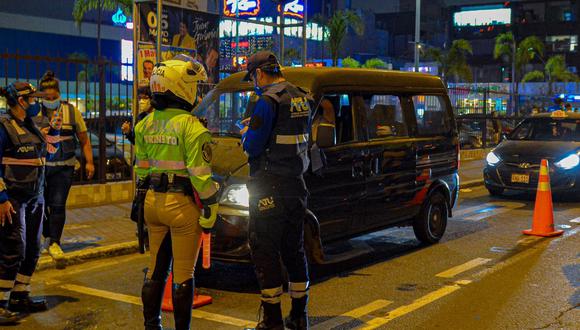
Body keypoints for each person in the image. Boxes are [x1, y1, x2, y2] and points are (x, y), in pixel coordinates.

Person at [135, 55, 218, 330]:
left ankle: (152, 325)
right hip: (182, 206)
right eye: (193, 86)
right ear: (180, 87)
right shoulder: (191, 127)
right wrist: (212, 206)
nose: (196, 92)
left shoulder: (145, 124)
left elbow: (142, 170)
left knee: (156, 269)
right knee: (184, 274)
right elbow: (201, 177)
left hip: (152, 203)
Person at [241, 51, 311, 330]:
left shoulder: (267, 101)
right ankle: (299, 315)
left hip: (269, 186)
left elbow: (253, 145)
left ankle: (272, 322)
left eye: (253, 77)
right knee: (294, 250)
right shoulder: (301, 96)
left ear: (259, 73)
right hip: (297, 185)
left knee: (265, 251)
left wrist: (245, 135)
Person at [0, 82, 49, 324]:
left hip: (34, 196)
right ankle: (0, 303)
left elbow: (38, 155)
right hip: (13, 198)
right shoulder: (3, 127)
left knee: (33, 247)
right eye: (31, 99)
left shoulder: (30, 125)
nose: (35, 103)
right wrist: (1, 199)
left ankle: (20, 294)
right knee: (13, 248)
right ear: (20, 101)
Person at [36, 71, 94, 258]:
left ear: (59, 95)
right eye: (47, 97)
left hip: (64, 167)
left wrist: (90, 162)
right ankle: (46, 235)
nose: (51, 100)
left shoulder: (71, 111)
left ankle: (55, 242)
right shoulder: (34, 113)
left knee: (58, 204)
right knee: (41, 206)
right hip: (41, 168)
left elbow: (84, 140)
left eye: (54, 97)